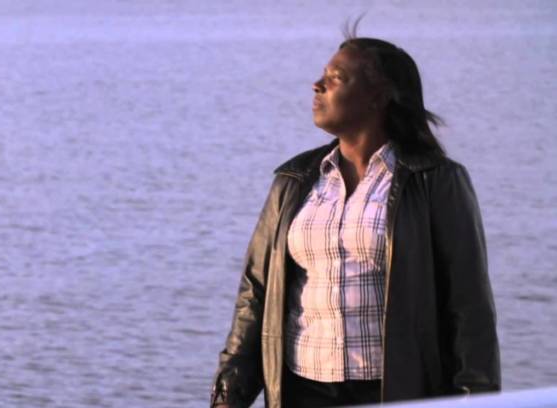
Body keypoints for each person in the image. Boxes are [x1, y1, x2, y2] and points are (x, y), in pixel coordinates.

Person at [210, 24, 501, 408]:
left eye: (336, 78)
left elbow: (468, 306)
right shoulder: (293, 181)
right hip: (301, 389)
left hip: (393, 391)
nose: (317, 86)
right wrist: (229, 394)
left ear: (377, 96)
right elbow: (256, 292)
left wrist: (476, 399)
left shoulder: (435, 181)